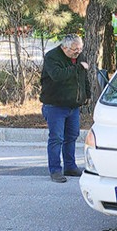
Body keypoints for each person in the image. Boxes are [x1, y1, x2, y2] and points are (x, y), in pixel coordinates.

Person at [40, 34, 91, 183]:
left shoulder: (80, 57)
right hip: (55, 105)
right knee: (56, 138)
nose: (77, 52)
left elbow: (83, 77)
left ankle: (70, 166)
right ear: (64, 47)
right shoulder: (52, 57)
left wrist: (86, 94)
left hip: (73, 105)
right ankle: (55, 170)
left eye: (80, 49)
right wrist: (77, 67)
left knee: (72, 137)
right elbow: (57, 75)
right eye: (74, 49)